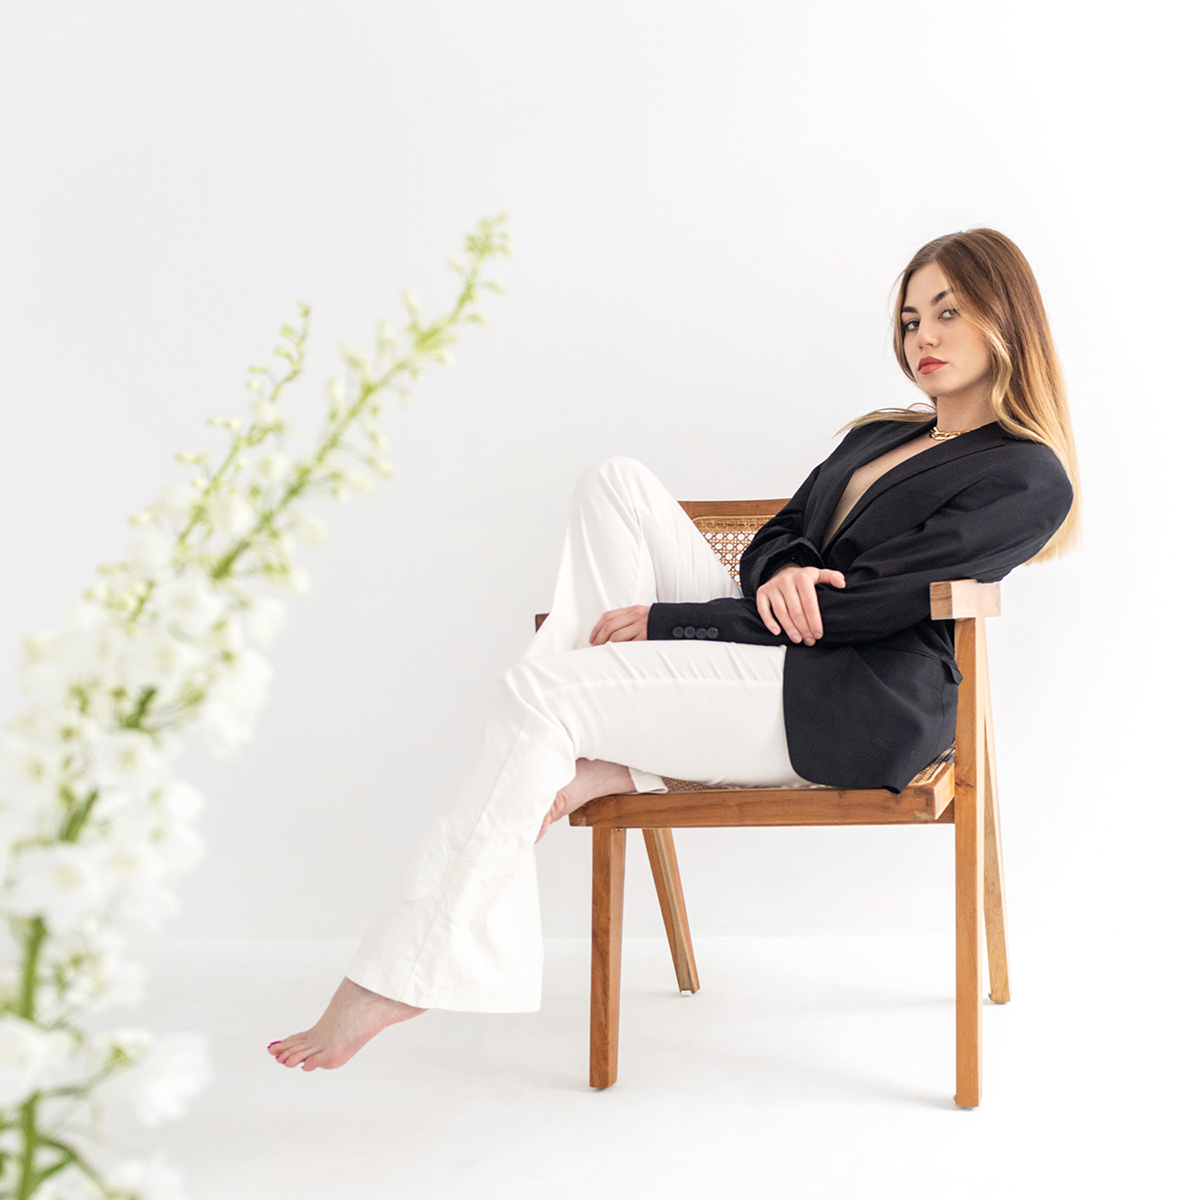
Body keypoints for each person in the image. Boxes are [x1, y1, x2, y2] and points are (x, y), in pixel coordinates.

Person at [268, 227, 1079, 1071]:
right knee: (614, 483)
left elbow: (872, 606)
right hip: (776, 654)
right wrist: (788, 566)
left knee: (539, 696)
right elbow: (780, 533)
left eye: (948, 312)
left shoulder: (1028, 476)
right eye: (912, 319)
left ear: (1006, 316)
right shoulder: (879, 434)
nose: (924, 337)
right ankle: (598, 756)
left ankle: (408, 966)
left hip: (852, 700)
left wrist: (674, 620)